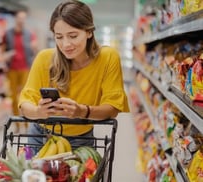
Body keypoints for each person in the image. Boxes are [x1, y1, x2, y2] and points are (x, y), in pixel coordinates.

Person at [18, 0, 130, 153]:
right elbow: (25, 103)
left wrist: (81, 111)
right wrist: (38, 112)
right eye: (59, 37)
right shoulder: (44, 59)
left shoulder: (108, 58)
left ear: (89, 32)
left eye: (72, 36)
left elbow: (112, 108)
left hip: (81, 138)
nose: (65, 45)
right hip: (41, 136)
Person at [2, 10, 38, 133]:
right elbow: (2, 51)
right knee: (13, 97)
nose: (21, 20)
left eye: (24, 18)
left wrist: (34, 47)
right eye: (19, 18)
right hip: (12, 68)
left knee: (25, 97)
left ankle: (27, 124)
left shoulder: (30, 34)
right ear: (15, 19)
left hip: (25, 69)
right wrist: (5, 57)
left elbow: (35, 48)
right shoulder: (7, 34)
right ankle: (17, 123)